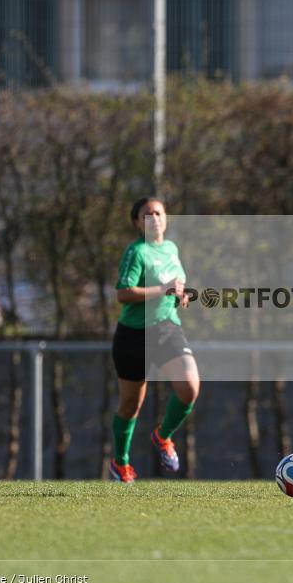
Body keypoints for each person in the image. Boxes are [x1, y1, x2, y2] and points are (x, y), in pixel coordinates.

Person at [109, 197, 200, 483]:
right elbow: (124, 293)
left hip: (166, 329)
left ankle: (163, 436)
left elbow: (176, 285)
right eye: (146, 215)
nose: (154, 219)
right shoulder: (136, 252)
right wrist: (162, 289)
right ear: (137, 222)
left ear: (166, 217)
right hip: (133, 336)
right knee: (130, 406)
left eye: (158, 213)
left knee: (189, 387)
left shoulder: (171, 249)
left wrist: (181, 294)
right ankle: (120, 464)